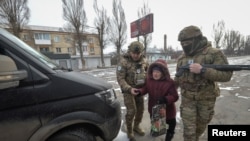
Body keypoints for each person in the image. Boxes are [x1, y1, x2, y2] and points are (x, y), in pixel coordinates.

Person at [174, 25, 233, 141]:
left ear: (197, 40)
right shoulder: (182, 58)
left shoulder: (214, 54)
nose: (184, 46)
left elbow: (227, 75)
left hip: (206, 100)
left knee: (200, 128)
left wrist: (203, 71)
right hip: (187, 101)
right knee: (189, 133)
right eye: (182, 44)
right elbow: (178, 78)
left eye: (187, 43)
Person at [134, 59, 179, 141]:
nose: (155, 74)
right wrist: (140, 91)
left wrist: (165, 99)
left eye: (158, 72)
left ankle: (169, 135)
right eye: (154, 71)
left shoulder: (169, 82)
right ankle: (154, 130)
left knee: (171, 124)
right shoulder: (149, 80)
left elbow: (175, 96)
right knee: (155, 122)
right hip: (154, 108)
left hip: (168, 110)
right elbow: (145, 88)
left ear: (163, 72)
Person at [116, 41, 149, 141]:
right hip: (128, 90)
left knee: (140, 110)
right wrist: (129, 89)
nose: (135, 55)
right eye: (134, 53)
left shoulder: (144, 61)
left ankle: (136, 126)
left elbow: (148, 73)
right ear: (130, 52)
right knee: (132, 111)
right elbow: (120, 78)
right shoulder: (123, 62)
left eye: (138, 53)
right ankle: (130, 130)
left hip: (140, 90)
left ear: (141, 53)